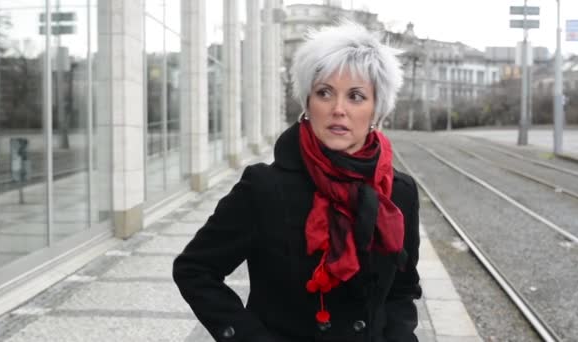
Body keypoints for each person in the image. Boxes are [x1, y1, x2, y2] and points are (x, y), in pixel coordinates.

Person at [173, 21, 421, 342]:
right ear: (307, 104)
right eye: (324, 93)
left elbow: (402, 289)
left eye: (356, 96)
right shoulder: (264, 188)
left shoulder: (399, 193)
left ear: (377, 110)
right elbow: (195, 270)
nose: (338, 109)